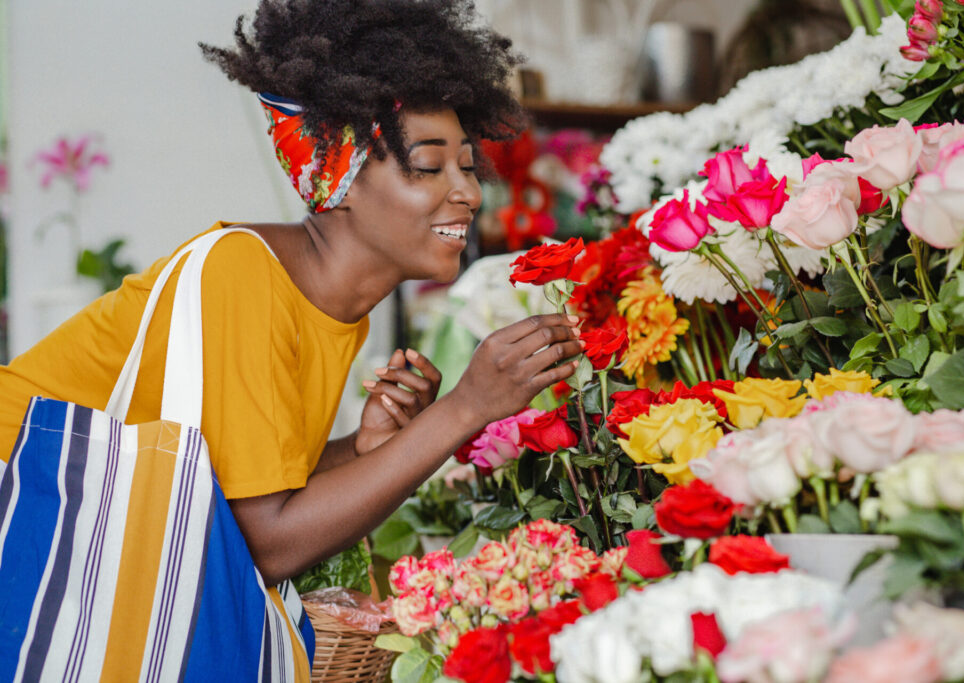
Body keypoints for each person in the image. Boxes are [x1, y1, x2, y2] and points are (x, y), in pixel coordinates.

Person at [0, 0, 583, 587]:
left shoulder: (329, 302)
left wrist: (361, 448)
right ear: (341, 176)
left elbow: (235, 493)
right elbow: (265, 547)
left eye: (466, 165)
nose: (469, 194)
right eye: (429, 167)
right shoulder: (243, 276)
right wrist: (467, 407)